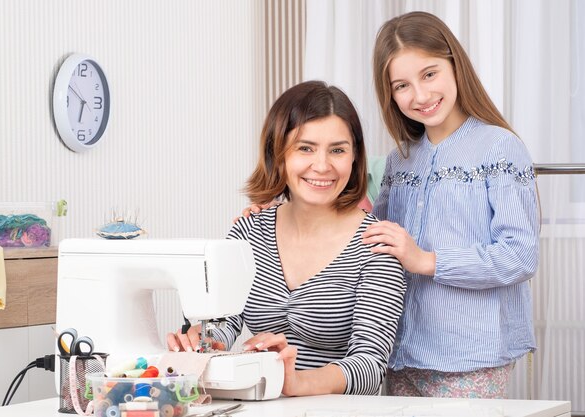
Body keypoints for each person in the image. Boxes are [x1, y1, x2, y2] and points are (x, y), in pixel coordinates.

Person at [167, 80, 406, 396]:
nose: (322, 166)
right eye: (305, 148)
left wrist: (295, 383)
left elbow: (370, 364)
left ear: (354, 157)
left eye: (337, 150)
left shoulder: (376, 247)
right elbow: (224, 325)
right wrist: (199, 341)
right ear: (278, 152)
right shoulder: (248, 233)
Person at [360, 11, 540, 398]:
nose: (420, 96)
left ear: (454, 65)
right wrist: (279, 213)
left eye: (429, 74)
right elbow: (374, 239)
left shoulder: (500, 147)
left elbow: (521, 255)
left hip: (471, 357)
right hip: (402, 352)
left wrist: (428, 260)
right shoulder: (400, 159)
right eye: (401, 85)